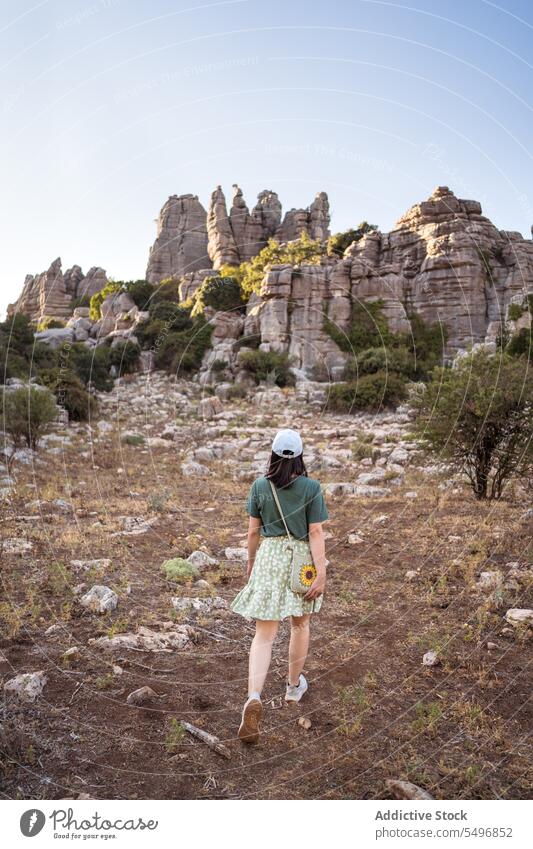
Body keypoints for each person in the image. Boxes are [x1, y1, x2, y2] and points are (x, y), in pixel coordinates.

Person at [230, 428, 328, 744]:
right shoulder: (312, 488)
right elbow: (315, 534)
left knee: (264, 635)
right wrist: (321, 571)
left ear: (272, 454)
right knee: (300, 626)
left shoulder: (260, 486)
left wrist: (251, 563)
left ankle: (254, 695)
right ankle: (292, 686)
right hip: (300, 560)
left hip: (269, 558)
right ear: (300, 456)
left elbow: (252, 534)